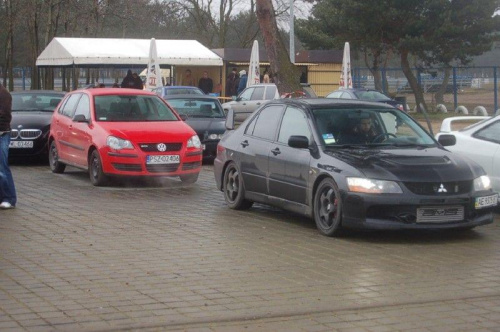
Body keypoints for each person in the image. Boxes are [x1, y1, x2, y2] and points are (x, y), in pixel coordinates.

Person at [0, 83, 16, 209]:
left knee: (2, 168)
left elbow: (4, 115)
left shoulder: (3, 94)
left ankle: (9, 198)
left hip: (2, 134)